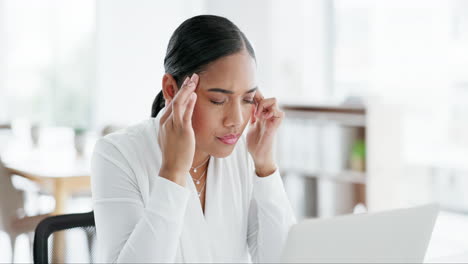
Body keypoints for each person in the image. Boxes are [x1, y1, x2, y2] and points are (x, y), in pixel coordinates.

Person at [91, 14, 296, 263]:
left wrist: (265, 168)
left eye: (247, 99)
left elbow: (281, 258)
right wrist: (173, 173)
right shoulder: (116, 155)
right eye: (218, 100)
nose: (236, 119)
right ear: (171, 89)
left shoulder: (242, 153)